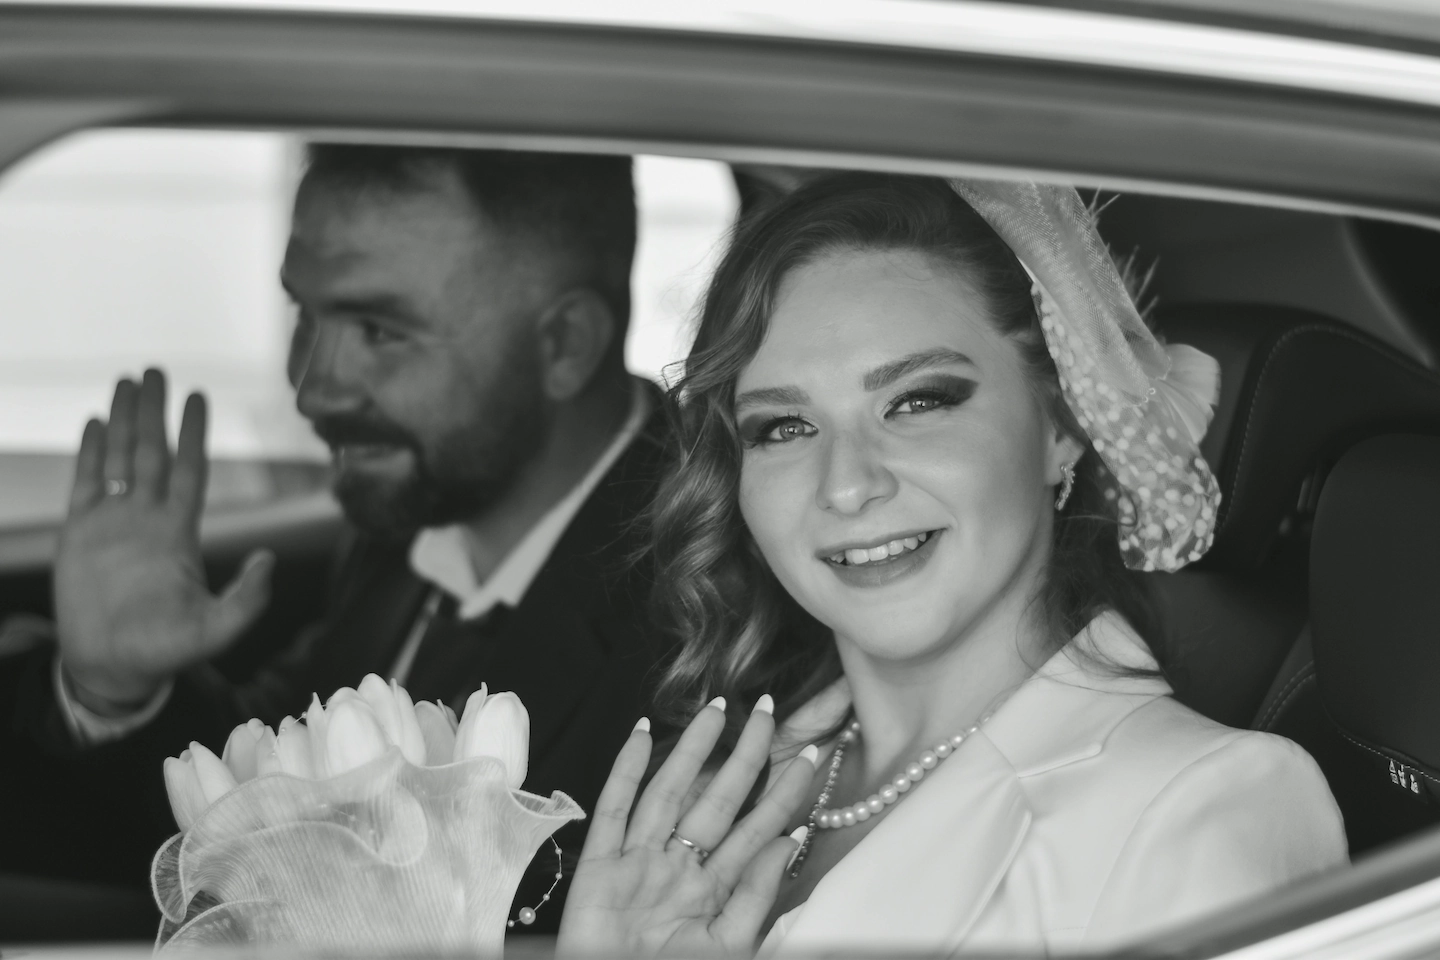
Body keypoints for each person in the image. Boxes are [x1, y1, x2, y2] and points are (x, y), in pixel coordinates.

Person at [553, 174, 1348, 955]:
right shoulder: (702, 815)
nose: (849, 484)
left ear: (1062, 425)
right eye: (784, 427)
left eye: (918, 401)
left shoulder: (1204, 807)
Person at [2, 145, 669, 932]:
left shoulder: (705, 602)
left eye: (378, 330)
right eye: (304, 316)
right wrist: (114, 689)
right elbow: (263, 818)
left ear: (564, 344)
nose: (312, 386)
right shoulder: (402, 533)